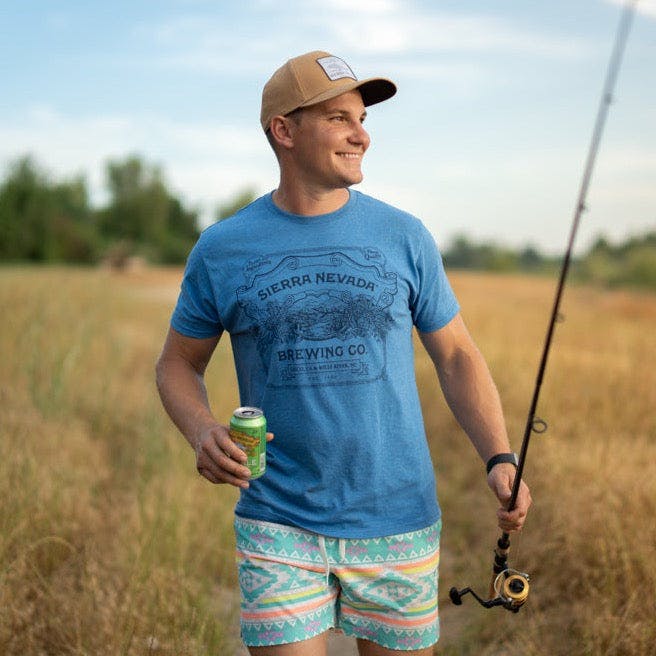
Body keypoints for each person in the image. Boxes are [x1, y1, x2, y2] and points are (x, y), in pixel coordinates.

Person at [155, 50, 531, 656]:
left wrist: (498, 455)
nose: (362, 134)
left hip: (397, 519)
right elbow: (177, 362)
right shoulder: (222, 247)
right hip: (278, 519)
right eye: (338, 118)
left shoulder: (405, 236)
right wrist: (200, 430)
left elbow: (457, 355)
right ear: (284, 131)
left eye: (361, 118)